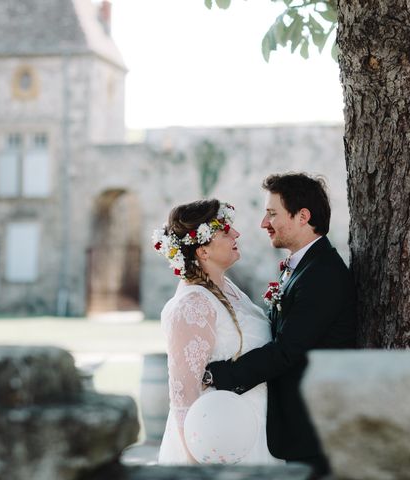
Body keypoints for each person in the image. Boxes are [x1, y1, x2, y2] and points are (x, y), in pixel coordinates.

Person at [204, 173, 357, 477]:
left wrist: (218, 374)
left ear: (303, 216)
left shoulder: (322, 274)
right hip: (296, 423)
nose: (263, 223)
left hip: (314, 425)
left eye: (272, 213)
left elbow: (289, 350)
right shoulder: (304, 268)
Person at [153, 199, 283, 465]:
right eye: (225, 231)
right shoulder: (192, 305)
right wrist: (198, 467)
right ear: (203, 251)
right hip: (219, 440)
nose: (236, 234)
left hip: (255, 430)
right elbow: (183, 395)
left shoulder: (229, 289)